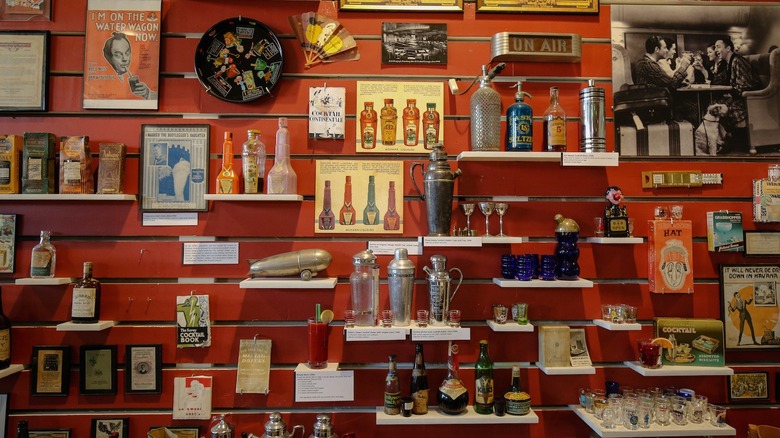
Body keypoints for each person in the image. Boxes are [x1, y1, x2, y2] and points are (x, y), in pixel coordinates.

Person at [714, 36, 761, 152]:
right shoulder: (729, 62)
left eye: (718, 47)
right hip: (740, 97)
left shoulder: (737, 61)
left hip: (750, 100)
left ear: (728, 48)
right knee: (714, 104)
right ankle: (722, 141)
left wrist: (731, 94)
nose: (716, 50)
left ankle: (725, 142)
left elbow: (747, 84)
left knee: (719, 107)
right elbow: (720, 80)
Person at [102, 32, 157, 100]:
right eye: (118, 55)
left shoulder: (138, 73)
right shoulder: (105, 80)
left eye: (127, 53)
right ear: (109, 58)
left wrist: (146, 93)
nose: (125, 59)